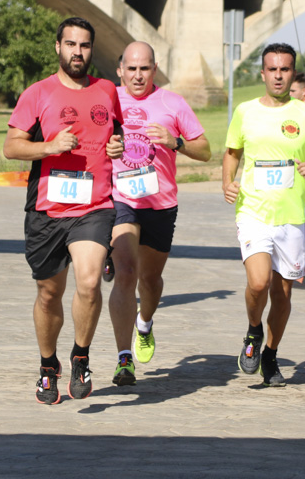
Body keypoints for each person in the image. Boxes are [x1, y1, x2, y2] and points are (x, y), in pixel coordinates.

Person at [3, 17, 125, 405]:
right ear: (58, 47)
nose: (78, 52)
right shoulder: (38, 93)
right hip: (47, 208)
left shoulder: (108, 90)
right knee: (48, 293)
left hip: (95, 205)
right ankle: (47, 365)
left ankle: (81, 356)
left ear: (92, 49)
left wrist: (116, 147)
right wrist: (48, 148)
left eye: (85, 45)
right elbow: (11, 146)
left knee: (89, 282)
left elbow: (117, 134)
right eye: (71, 44)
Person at [222, 43, 305, 387]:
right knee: (258, 282)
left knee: (283, 294)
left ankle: (270, 357)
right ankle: (253, 331)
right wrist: (227, 183)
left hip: (290, 217)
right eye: (272, 69)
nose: (278, 75)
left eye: (285, 69)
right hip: (253, 211)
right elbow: (232, 153)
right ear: (263, 74)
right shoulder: (245, 111)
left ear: (293, 74)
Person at [107, 41, 211, 386]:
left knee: (149, 281)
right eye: (131, 69)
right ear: (120, 69)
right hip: (121, 200)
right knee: (126, 272)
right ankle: (124, 359)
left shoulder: (173, 103)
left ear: (155, 70)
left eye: (145, 68)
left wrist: (175, 141)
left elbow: (206, 151)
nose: (138, 76)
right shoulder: (108, 101)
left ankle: (145, 323)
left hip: (160, 204)